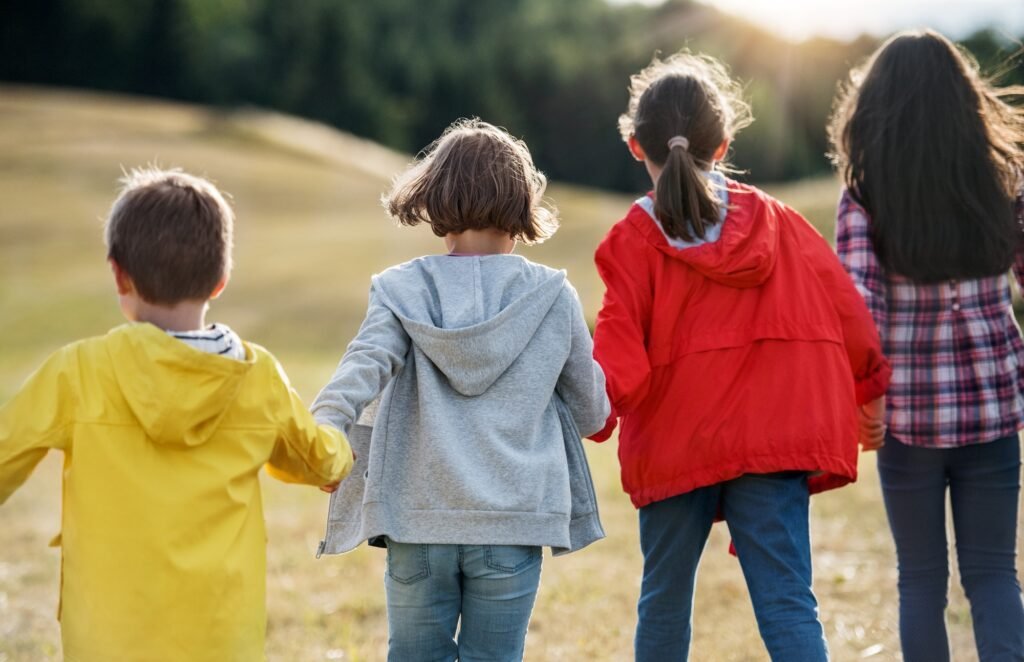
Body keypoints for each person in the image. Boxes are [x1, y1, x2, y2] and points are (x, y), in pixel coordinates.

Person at [590, 52, 891, 661]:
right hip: (772, 439)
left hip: (676, 443)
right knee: (787, 600)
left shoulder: (632, 240)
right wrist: (870, 395)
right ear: (723, 146)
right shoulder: (778, 222)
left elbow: (617, 350)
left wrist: (591, 415)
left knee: (663, 603)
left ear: (633, 146)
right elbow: (847, 310)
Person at [0, 167, 354, 662]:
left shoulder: (77, 372)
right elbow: (318, 460)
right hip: (221, 636)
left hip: (105, 640)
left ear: (118, 273)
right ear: (220, 280)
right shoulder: (257, 376)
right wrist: (340, 450)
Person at [311, 118, 610, 662]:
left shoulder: (401, 289)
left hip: (415, 520)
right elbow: (593, 413)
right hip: (513, 521)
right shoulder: (553, 296)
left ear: (434, 199)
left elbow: (365, 363)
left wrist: (325, 425)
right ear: (521, 203)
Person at [830, 29, 1024, 662]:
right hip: (993, 411)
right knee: (995, 574)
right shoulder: (1002, 181)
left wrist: (866, 402)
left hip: (906, 420)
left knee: (920, 581)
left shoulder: (865, 192)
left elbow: (861, 312)